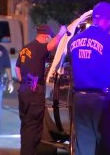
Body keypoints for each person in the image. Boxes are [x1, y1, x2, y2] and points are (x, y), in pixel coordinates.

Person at [67, 2, 110, 155]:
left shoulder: (73, 41)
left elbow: (72, 64)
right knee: (108, 146)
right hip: (104, 102)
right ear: (108, 19)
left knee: (84, 145)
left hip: (80, 100)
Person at [15, 24, 67, 155]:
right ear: (45, 36)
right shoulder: (39, 47)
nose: (50, 41)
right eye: (49, 38)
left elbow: (17, 69)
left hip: (24, 91)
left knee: (26, 125)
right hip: (34, 91)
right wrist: (61, 33)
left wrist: (24, 82)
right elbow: (51, 45)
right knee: (34, 127)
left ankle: (25, 151)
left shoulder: (25, 49)